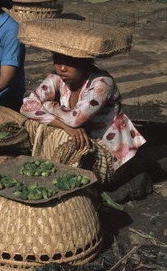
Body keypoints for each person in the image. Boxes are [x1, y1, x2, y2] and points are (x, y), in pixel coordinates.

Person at [19, 19, 148, 194]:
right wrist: (65, 126)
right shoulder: (57, 78)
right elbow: (26, 106)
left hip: (108, 154)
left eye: (69, 62)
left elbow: (75, 119)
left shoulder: (102, 83)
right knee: (36, 124)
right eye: (57, 60)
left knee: (66, 138)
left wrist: (49, 104)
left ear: (86, 62)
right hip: (83, 142)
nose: (62, 68)